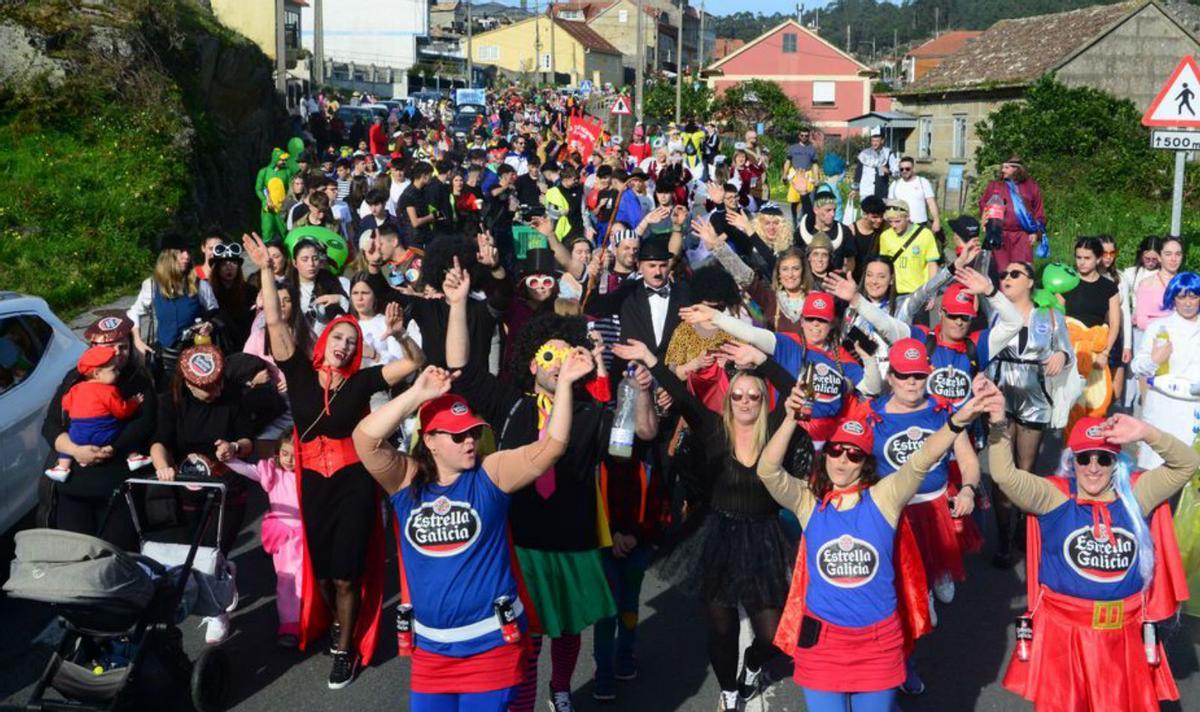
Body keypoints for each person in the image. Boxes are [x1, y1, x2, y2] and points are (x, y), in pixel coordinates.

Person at [444, 262, 657, 712]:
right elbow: (460, 370)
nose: (557, 362)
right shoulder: (511, 405)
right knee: (527, 633)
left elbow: (635, 444)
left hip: (572, 537)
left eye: (567, 354)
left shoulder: (591, 414)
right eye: (548, 354)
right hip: (520, 540)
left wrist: (639, 392)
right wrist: (459, 304)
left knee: (566, 628)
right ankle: (523, 699)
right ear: (529, 360)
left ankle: (560, 689)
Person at [244, 232, 424, 689]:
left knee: (346, 573)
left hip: (354, 483)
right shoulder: (300, 371)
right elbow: (276, 324)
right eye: (337, 337)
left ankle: (345, 650)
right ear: (324, 340)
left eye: (351, 341)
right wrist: (267, 270)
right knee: (324, 571)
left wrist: (401, 337)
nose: (344, 346)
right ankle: (336, 623)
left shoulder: (363, 381)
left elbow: (412, 368)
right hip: (313, 483)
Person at [757, 374, 998, 712]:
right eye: (836, 451)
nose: (842, 460)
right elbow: (767, 470)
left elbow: (923, 457)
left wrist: (959, 419)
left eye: (854, 455)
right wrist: (789, 419)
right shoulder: (808, 502)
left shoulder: (884, 498)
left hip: (878, 644)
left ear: (866, 463)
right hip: (823, 643)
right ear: (825, 455)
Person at [353, 364, 581, 712]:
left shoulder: (491, 474)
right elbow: (365, 440)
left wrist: (564, 384)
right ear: (429, 440)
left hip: (491, 647)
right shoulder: (406, 481)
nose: (470, 441)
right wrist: (418, 394)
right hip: (432, 652)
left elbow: (551, 448)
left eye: (473, 432)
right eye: (457, 436)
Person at [611, 337, 809, 712]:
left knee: (771, 634)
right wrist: (651, 359)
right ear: (729, 400)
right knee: (721, 627)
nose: (746, 401)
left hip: (765, 535)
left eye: (753, 396)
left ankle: (752, 664)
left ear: (764, 401)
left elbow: (796, 391)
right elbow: (679, 395)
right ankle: (729, 691)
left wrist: (762, 362)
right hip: (717, 533)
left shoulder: (776, 426)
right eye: (738, 396)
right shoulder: (714, 428)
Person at [987, 411, 1198, 712]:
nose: (1094, 467)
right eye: (1084, 458)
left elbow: (1187, 463)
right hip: (1065, 637)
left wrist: (1145, 432)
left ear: (1116, 463)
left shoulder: (1136, 494)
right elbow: (1004, 476)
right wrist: (997, 426)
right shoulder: (1054, 498)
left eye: (1104, 458)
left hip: (1122, 637)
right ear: (1072, 462)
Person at [150, 344, 256, 644]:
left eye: (220, 382)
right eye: (208, 388)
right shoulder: (171, 402)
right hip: (188, 484)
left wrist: (234, 447)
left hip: (227, 482)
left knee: (214, 547)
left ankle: (217, 612)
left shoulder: (233, 397)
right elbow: (160, 441)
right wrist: (162, 466)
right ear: (188, 384)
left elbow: (248, 440)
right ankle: (222, 574)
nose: (217, 391)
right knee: (196, 550)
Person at [826, 266, 1022, 408]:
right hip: (926, 434)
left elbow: (1015, 322)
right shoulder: (921, 338)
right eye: (953, 315)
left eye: (965, 316)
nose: (959, 322)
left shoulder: (978, 345)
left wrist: (990, 291)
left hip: (961, 438)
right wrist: (856, 299)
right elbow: (886, 324)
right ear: (942, 313)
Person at [41, 315, 157, 548]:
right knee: (75, 557)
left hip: (118, 488)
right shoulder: (74, 379)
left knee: (118, 556)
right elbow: (51, 425)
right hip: (72, 489)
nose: (117, 353)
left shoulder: (140, 381)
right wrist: (75, 450)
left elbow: (143, 425)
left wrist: (109, 449)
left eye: (123, 347)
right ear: (93, 349)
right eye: (109, 347)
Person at [987, 260, 1073, 568]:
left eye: (1014, 274)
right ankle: (1002, 537)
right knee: (999, 472)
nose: (1006, 278)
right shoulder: (994, 310)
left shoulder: (1049, 316)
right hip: (999, 396)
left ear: (1029, 282)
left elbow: (1068, 352)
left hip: (1035, 398)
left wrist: (1062, 354)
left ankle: (1024, 526)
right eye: (1003, 275)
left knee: (1024, 470)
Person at [45, 346, 148, 481]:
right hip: (103, 436)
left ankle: (62, 467)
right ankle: (133, 456)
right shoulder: (109, 391)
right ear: (97, 373)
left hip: (77, 436)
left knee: (69, 439)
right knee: (123, 427)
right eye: (113, 370)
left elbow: (65, 405)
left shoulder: (76, 388)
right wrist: (133, 402)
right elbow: (122, 411)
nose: (118, 372)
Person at [1131, 272, 1200, 469]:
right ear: (1173, 298)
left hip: (1194, 412)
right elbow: (1137, 366)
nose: (1188, 303)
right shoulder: (1158, 327)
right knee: (1159, 476)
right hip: (1163, 412)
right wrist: (1155, 360)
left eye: (1194, 296)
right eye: (1181, 296)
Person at [127, 238, 218, 388]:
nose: (186, 256)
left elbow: (214, 310)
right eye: (180, 252)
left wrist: (209, 323)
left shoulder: (199, 284)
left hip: (197, 354)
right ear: (167, 256)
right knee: (169, 396)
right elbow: (133, 312)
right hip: (166, 357)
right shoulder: (151, 285)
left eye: (188, 252)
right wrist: (137, 341)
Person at [1063, 237, 1121, 430]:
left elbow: (1114, 323)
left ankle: (1091, 454)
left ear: (1098, 259)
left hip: (1097, 351)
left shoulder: (1109, 287)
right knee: (1070, 408)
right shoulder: (1066, 282)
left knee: (1096, 404)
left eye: (1087, 258)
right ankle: (1069, 453)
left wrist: (1106, 353)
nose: (1081, 262)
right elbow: (1057, 316)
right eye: (1078, 257)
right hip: (1070, 352)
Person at [977, 156, 1045, 271]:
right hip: (999, 234)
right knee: (1001, 271)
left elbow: (1039, 212)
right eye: (1003, 167)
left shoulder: (1031, 187)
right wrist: (985, 221)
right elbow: (984, 206)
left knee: (1021, 271)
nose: (1003, 170)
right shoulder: (995, 186)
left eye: (1007, 167)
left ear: (1017, 169)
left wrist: (1036, 232)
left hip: (1022, 236)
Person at [875, 199, 938, 307]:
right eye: (890, 222)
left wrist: (932, 292)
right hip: (894, 294)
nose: (893, 226)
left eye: (898, 221)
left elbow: (932, 264)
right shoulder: (885, 236)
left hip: (918, 293)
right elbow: (883, 267)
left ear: (908, 217)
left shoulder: (925, 235)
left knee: (918, 325)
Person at [887, 157, 940, 236]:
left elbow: (931, 202)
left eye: (907, 169)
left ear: (913, 168)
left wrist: (936, 220)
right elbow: (890, 205)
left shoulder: (922, 182)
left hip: (920, 224)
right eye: (901, 169)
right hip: (901, 225)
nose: (904, 171)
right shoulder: (895, 184)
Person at [784, 127, 820, 222]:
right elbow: (788, 161)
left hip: (808, 175)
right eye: (802, 135)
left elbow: (815, 164)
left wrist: (816, 178)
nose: (804, 137)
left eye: (806, 136)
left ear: (809, 136)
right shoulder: (792, 148)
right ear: (799, 136)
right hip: (795, 175)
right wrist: (784, 174)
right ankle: (794, 219)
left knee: (808, 200)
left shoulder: (812, 149)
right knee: (794, 201)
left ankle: (803, 221)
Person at [851, 130, 897, 203]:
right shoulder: (864, 154)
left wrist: (888, 171)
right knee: (866, 213)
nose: (874, 143)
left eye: (877, 141)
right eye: (873, 141)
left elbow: (896, 172)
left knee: (880, 213)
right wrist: (855, 189)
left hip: (881, 191)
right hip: (866, 191)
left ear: (882, 141)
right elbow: (858, 173)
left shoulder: (888, 153)